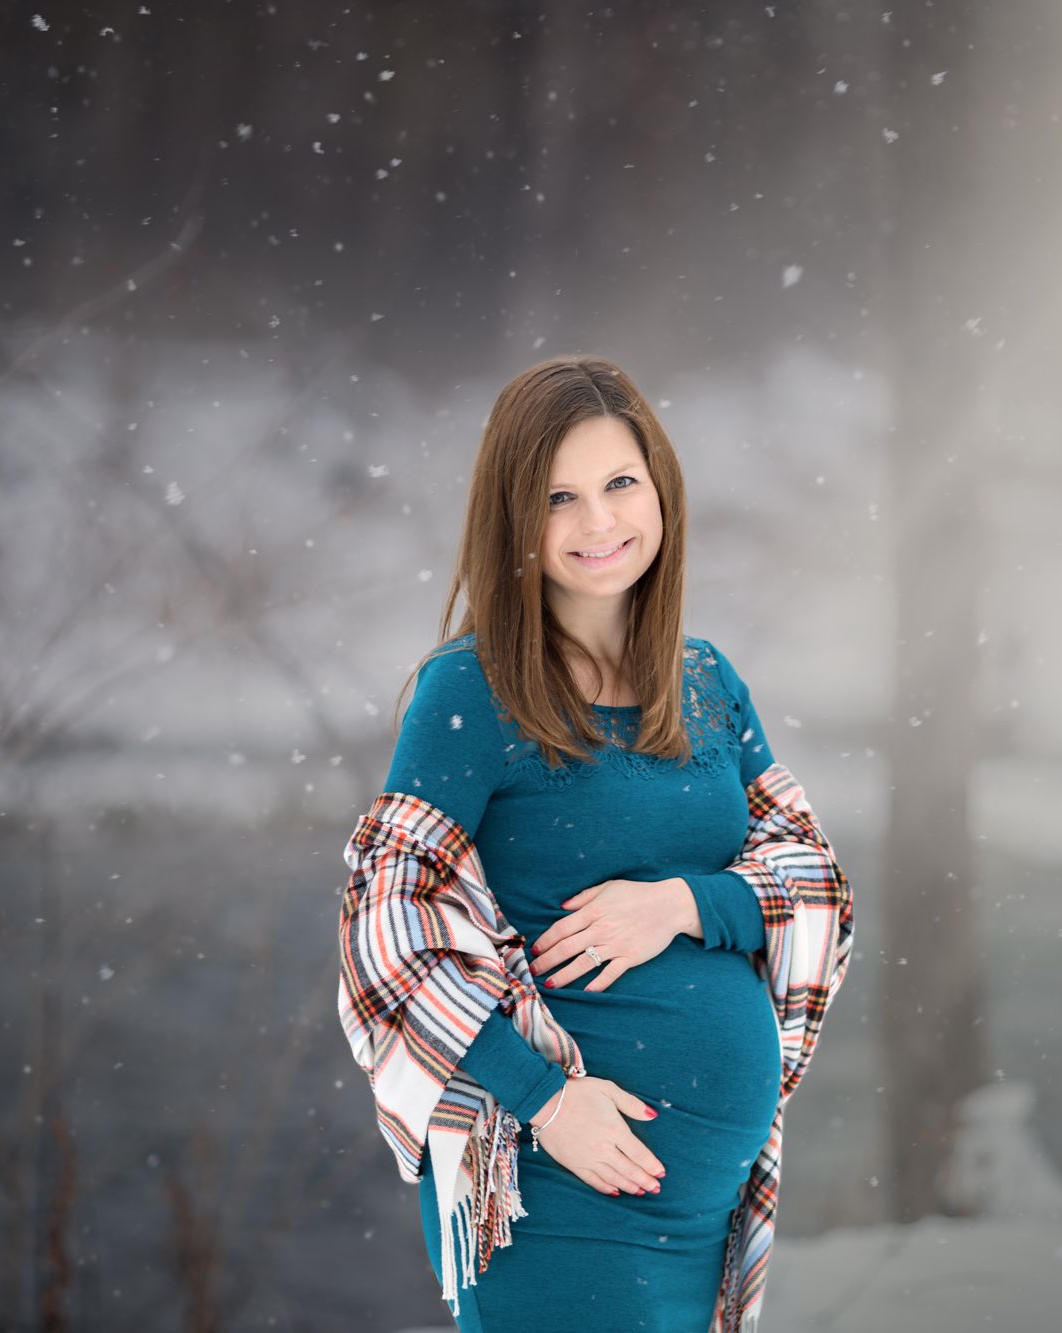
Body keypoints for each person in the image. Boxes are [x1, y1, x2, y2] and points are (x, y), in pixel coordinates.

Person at [336, 354, 854, 1332]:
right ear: (515, 522)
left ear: (659, 486)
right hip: (556, 1198)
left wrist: (683, 904)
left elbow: (814, 880)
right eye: (557, 497)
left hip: (709, 1213)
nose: (598, 521)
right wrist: (548, 1101)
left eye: (619, 482)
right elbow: (383, 928)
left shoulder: (703, 682)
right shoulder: (472, 690)